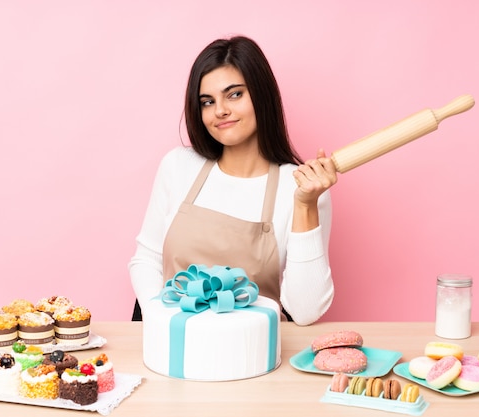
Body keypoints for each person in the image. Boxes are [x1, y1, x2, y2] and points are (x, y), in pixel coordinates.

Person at [128, 35, 337, 325]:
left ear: (261, 96)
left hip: (253, 354)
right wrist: (160, 320)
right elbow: (146, 259)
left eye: (234, 94)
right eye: (207, 101)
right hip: (173, 343)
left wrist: (306, 205)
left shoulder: (300, 186)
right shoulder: (179, 166)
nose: (220, 110)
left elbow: (305, 311)